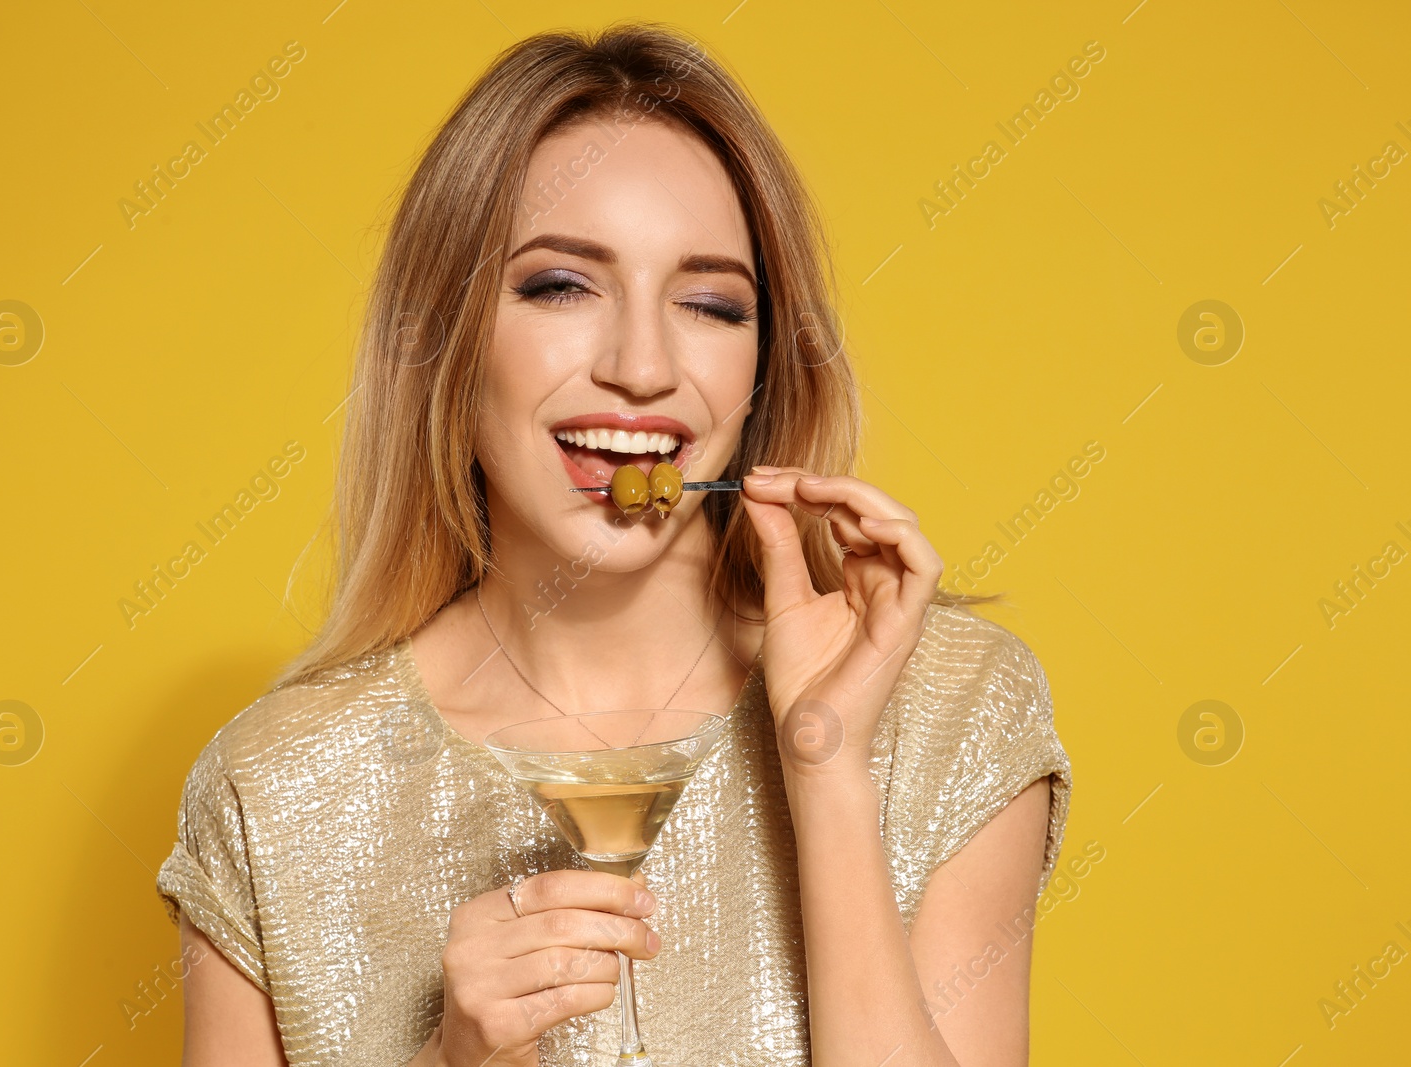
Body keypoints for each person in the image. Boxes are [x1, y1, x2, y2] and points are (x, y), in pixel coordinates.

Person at [156, 21, 1071, 1067]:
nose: (643, 365)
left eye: (711, 303)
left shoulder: (951, 705)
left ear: (762, 367)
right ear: (442, 340)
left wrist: (825, 764)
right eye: (560, 285)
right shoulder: (271, 791)